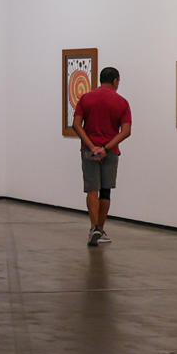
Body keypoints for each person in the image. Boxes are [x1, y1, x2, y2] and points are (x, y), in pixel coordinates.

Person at [72, 66, 131, 247]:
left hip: (89, 151)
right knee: (105, 191)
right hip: (110, 152)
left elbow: (76, 124)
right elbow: (126, 131)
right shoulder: (122, 102)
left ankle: (93, 228)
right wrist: (106, 148)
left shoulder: (86, 98)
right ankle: (101, 229)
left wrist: (91, 146)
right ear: (115, 81)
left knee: (92, 189)